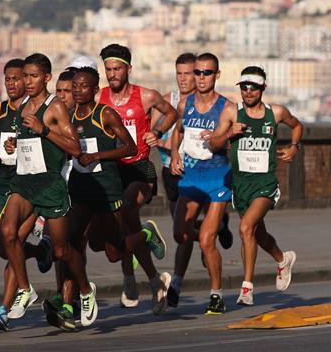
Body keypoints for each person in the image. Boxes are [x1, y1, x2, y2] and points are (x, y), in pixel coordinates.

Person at [0, 53, 98, 326]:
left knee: (61, 251)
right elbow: (27, 142)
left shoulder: (56, 108)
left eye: (34, 76)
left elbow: (75, 148)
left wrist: (43, 130)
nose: (28, 82)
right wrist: (14, 145)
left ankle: (85, 290)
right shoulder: (23, 106)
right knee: (8, 233)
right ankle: (25, 289)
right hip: (24, 183)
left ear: (47, 78)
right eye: (25, 76)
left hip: (50, 185)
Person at [207, 66, 302, 306]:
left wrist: (294, 147)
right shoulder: (232, 112)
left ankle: (247, 288)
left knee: (245, 227)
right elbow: (213, 144)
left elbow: (297, 125)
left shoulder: (276, 112)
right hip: (240, 185)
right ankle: (283, 259)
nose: (248, 92)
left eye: (254, 88)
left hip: (265, 183)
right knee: (256, 234)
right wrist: (229, 133)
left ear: (263, 88)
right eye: (244, 87)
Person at [52, 66, 137, 329]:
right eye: (75, 86)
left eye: (83, 86)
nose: (77, 90)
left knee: (113, 252)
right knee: (71, 245)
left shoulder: (105, 114)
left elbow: (130, 147)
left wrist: (97, 156)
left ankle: (144, 236)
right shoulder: (67, 116)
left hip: (106, 190)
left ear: (95, 90)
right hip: (79, 189)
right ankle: (71, 304)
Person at [98, 44, 174, 312]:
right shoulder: (99, 97)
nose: (112, 74)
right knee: (124, 233)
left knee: (127, 207)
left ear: (128, 68)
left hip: (141, 169)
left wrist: (157, 132)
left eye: (117, 69)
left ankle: (131, 277)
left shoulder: (146, 96)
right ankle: (153, 280)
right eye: (108, 69)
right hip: (113, 171)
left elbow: (171, 112)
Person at [153, 53, 232, 308]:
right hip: (190, 178)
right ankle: (217, 229)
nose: (200, 77)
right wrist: (176, 154)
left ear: (217, 75)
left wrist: (220, 138)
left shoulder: (227, 107)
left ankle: (216, 294)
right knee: (180, 235)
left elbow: (233, 139)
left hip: (217, 180)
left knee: (207, 242)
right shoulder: (184, 104)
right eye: (197, 72)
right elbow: (178, 131)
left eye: (206, 73)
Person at [0, 59, 41, 330]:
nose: (12, 83)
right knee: (8, 248)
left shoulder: (34, 109)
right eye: (8, 79)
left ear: (27, 80)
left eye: (17, 78)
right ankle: (42, 251)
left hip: (30, 185)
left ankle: (5, 305)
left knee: (14, 238)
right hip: (3, 183)